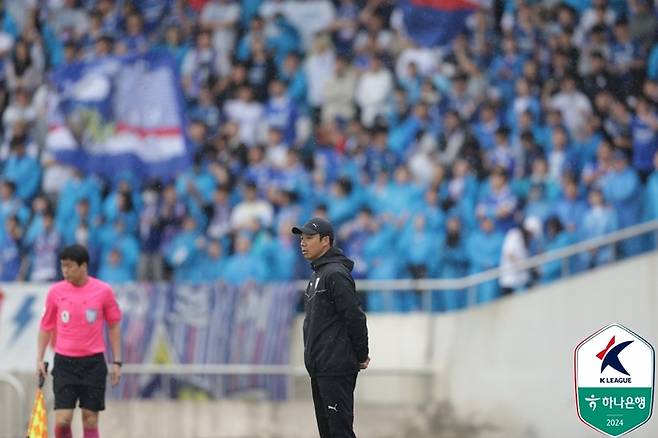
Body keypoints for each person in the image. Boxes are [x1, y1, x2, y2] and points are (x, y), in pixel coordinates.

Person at [292, 217, 369, 438]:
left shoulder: (335, 273)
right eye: (301, 238)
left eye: (309, 238)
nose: (303, 243)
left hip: (335, 367)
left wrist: (361, 354)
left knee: (339, 433)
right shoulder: (317, 274)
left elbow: (355, 316)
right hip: (320, 368)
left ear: (325, 241)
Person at [36, 244, 122, 438]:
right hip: (65, 363)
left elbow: (114, 325)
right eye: (62, 266)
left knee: (90, 418)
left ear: (83, 266)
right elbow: (45, 326)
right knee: (63, 419)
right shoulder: (55, 292)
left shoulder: (103, 291)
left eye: (69, 266)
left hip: (93, 363)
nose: (65, 271)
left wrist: (117, 361)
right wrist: (39, 359)